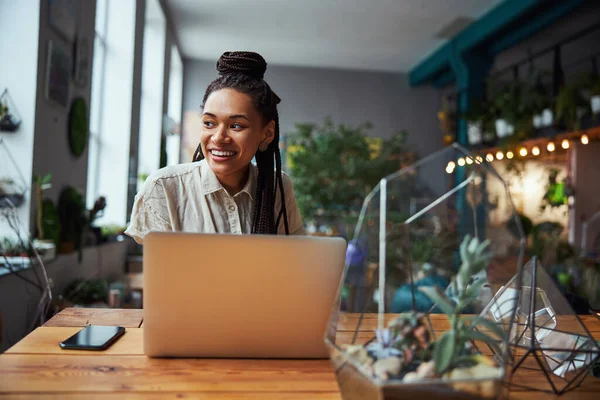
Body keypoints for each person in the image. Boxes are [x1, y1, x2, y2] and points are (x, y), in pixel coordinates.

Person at [125, 51, 306, 244]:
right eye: (209, 123)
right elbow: (160, 271)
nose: (219, 138)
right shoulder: (164, 187)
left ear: (267, 133)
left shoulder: (278, 187)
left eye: (236, 126)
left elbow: (294, 258)